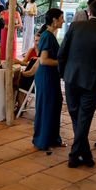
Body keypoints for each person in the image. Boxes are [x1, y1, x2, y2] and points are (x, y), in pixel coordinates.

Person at [58, 0, 96, 168]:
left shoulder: (75, 27)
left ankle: (76, 155)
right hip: (92, 82)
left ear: (89, 12)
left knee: (77, 116)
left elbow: (62, 54)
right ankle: (83, 154)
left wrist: (63, 74)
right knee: (83, 118)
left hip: (71, 78)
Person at [32, 10, 65, 152]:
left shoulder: (50, 35)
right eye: (61, 18)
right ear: (54, 20)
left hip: (51, 76)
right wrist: (62, 62)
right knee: (46, 107)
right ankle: (42, 140)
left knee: (55, 105)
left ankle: (52, 138)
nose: (63, 21)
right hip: (46, 76)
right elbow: (44, 60)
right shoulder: (47, 36)